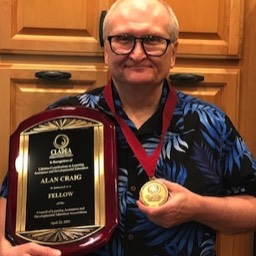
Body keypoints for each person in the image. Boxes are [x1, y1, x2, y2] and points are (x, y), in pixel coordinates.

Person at [1, 0, 256, 255]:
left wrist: (199, 208)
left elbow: (252, 208)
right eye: (124, 39)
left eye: (152, 39)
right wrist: (3, 248)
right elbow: (9, 199)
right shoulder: (62, 120)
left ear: (173, 52)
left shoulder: (211, 123)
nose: (137, 53)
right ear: (106, 51)